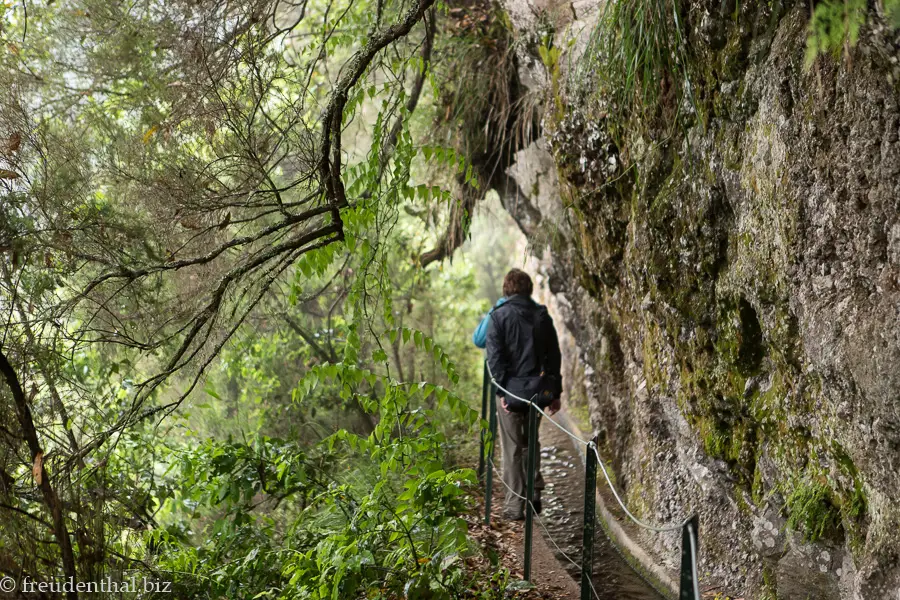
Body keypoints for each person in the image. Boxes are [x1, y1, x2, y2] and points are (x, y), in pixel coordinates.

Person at [483, 269, 562, 521]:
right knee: (531, 441)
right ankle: (534, 491)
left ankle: (515, 506)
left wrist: (502, 391)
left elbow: (495, 360)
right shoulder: (541, 316)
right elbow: (554, 356)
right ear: (528, 289)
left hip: (511, 393)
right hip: (539, 392)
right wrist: (555, 392)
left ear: (506, 290)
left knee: (513, 448)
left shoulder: (497, 317)